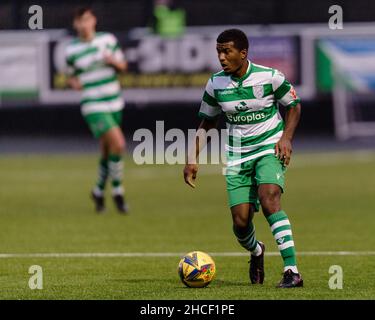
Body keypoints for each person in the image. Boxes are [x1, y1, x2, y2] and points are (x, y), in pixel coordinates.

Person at [183, 29, 303, 288]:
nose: (222, 57)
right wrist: (192, 158)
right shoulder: (216, 83)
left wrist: (286, 138)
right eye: (218, 51)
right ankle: (256, 250)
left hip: (269, 148)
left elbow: (293, 106)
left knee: (270, 199)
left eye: (227, 51)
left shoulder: (269, 76)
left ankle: (291, 270)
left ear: (243, 53)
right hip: (237, 156)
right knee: (240, 223)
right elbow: (208, 121)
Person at [65, 7, 128, 214]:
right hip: (93, 103)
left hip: (114, 101)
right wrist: (74, 84)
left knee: (107, 150)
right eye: (80, 20)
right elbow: (70, 76)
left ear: (94, 21)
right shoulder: (71, 50)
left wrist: (113, 62)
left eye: (87, 19)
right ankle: (118, 191)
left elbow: (123, 66)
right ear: (75, 23)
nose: (84, 24)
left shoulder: (107, 40)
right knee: (119, 144)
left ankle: (98, 191)